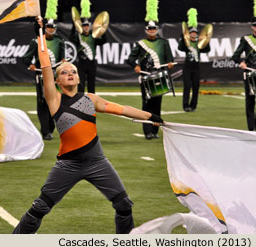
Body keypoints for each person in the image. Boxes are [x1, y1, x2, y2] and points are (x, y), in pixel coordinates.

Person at [12, 17, 164, 234]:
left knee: (123, 205)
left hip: (97, 162)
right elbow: (45, 64)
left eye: (72, 71)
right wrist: (39, 32)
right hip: (68, 165)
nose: (70, 74)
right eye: (64, 72)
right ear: (57, 81)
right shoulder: (54, 100)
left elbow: (121, 109)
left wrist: (151, 116)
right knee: (41, 207)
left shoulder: (91, 99)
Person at [126, 21, 174, 140]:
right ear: (146, 30)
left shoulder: (163, 42)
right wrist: (135, 66)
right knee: (147, 104)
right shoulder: (141, 44)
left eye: (154, 28)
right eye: (150, 28)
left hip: (159, 77)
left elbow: (170, 59)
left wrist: (169, 64)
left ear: (156, 29)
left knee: (157, 105)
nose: (152, 30)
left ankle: (155, 130)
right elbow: (130, 59)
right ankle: (147, 131)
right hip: (146, 77)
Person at [22, 19, 65, 140]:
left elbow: (62, 58)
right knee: (43, 102)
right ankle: (45, 131)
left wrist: (63, 62)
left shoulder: (60, 41)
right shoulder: (37, 42)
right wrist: (31, 65)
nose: (51, 30)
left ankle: (51, 129)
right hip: (41, 75)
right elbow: (25, 58)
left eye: (53, 28)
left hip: (56, 76)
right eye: (49, 27)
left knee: (55, 101)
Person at [178, 8, 211, 112]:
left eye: (195, 33)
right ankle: (185, 105)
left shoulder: (199, 44)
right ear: (189, 34)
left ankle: (193, 105)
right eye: (191, 33)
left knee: (196, 88)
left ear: (197, 34)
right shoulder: (187, 43)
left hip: (196, 68)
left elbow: (207, 49)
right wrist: (183, 38)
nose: (193, 34)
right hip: (187, 67)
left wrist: (207, 39)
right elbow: (180, 48)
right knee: (187, 87)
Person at [69, 17, 107, 93]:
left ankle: (92, 101)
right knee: (80, 84)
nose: (86, 27)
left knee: (91, 85)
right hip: (81, 63)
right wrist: (74, 26)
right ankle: (80, 101)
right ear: (81, 27)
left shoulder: (93, 36)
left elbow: (103, 41)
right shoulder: (78, 36)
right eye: (84, 25)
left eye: (87, 25)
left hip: (91, 63)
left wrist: (103, 30)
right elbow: (71, 38)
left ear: (90, 26)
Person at [232, 17, 256, 131]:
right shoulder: (246, 39)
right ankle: (251, 130)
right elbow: (235, 56)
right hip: (250, 74)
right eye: (255, 26)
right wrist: (241, 62)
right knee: (250, 102)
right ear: (252, 27)